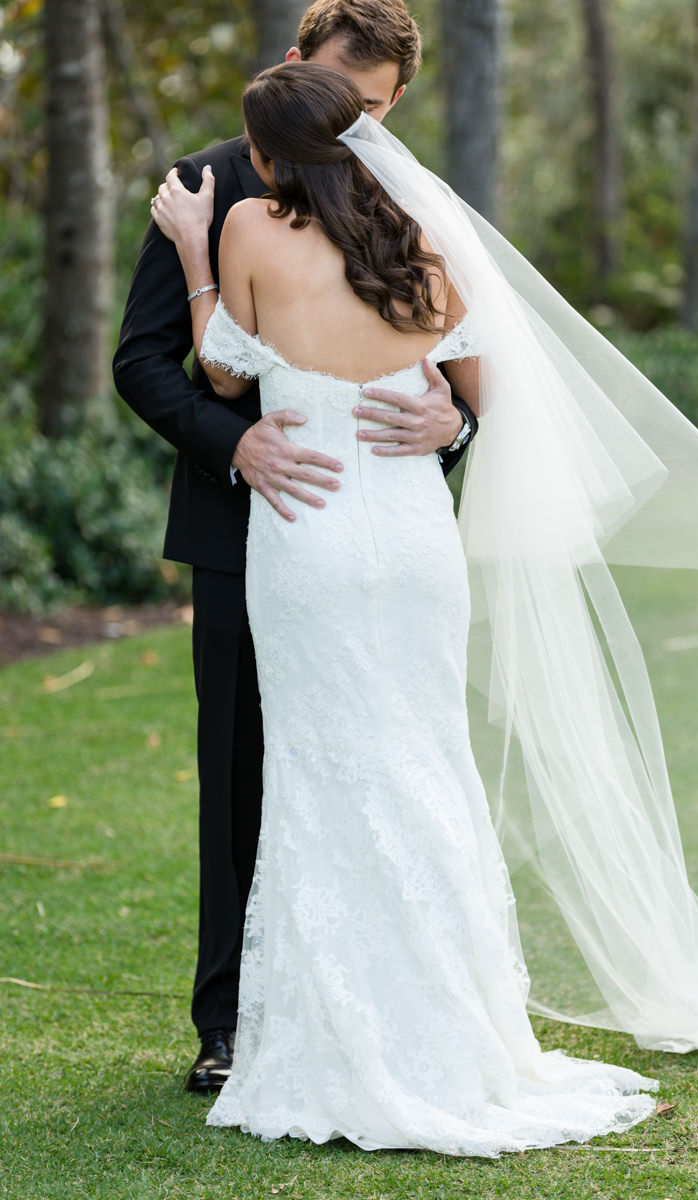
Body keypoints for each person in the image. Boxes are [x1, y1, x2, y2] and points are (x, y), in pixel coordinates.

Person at [150, 59, 662, 1156]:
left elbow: (224, 375)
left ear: (272, 158)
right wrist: (443, 422)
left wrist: (196, 251)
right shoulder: (418, 244)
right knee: (426, 766)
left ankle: (340, 1037)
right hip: (416, 544)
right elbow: (477, 384)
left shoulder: (246, 234)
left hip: (311, 535)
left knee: (324, 775)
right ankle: (456, 1034)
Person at [112, 0, 477, 1094]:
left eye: (368, 110)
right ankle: (229, 1025)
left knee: (388, 752)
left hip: (385, 514)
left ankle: (390, 1000)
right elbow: (144, 361)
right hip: (246, 531)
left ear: (394, 103)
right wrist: (238, 448)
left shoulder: (403, 196)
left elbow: (462, 359)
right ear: (293, 67)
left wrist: (453, 426)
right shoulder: (206, 185)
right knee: (243, 772)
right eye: (333, 96)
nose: (347, 128)